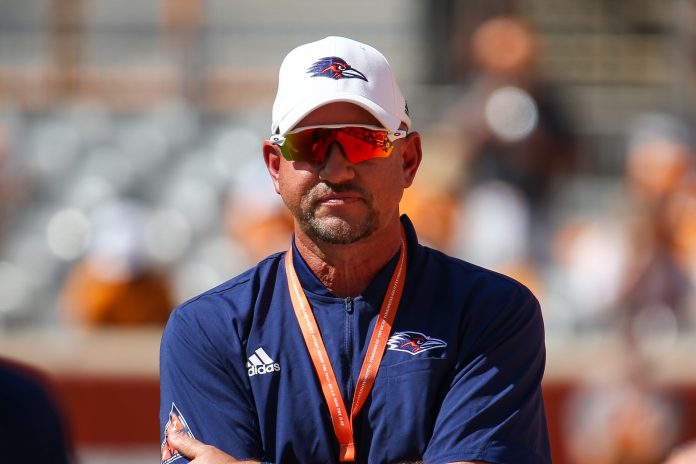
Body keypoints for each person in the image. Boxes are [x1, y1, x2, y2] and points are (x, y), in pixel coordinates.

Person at [159, 36, 550, 464]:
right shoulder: (209, 329)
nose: (336, 167)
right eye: (310, 143)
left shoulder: (491, 312)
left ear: (408, 160)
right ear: (275, 166)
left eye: (363, 140)